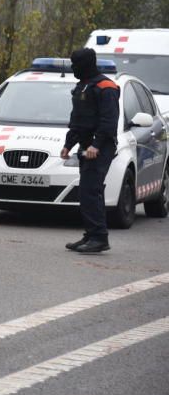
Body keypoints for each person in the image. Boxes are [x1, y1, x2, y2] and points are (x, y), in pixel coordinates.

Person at [61, 48, 118, 254]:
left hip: (100, 147)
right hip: (86, 146)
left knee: (91, 190)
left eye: (76, 64)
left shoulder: (105, 87)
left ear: (86, 64)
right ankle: (91, 235)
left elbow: (109, 121)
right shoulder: (82, 87)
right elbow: (77, 120)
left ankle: (99, 237)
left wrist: (96, 145)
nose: (74, 68)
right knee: (87, 192)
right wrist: (68, 144)